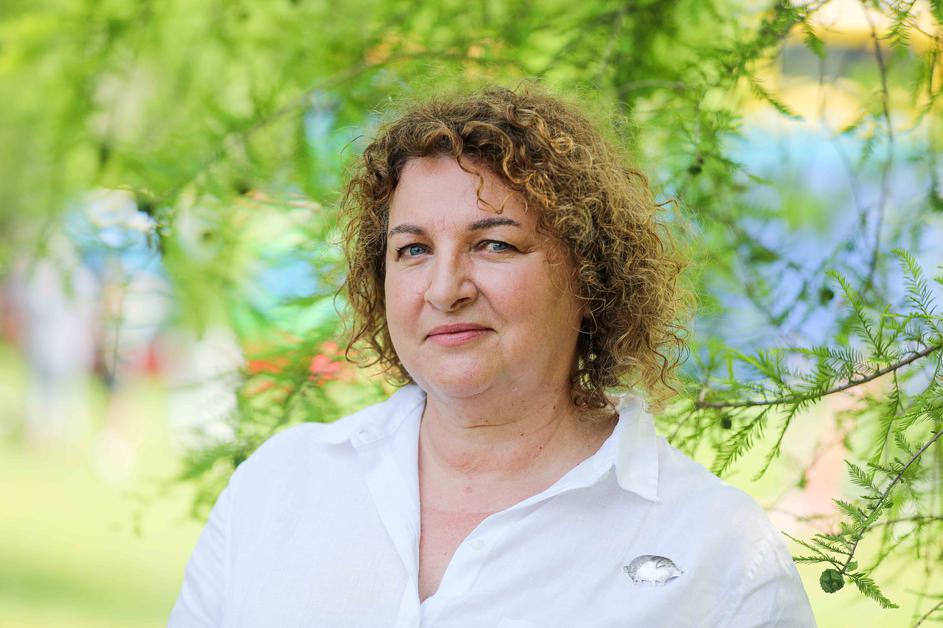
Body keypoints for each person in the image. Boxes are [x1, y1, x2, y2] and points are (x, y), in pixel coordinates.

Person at [169, 85, 817, 627]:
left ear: (590, 273)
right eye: (413, 250)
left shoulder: (718, 555)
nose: (444, 289)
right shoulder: (279, 486)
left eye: (494, 245)